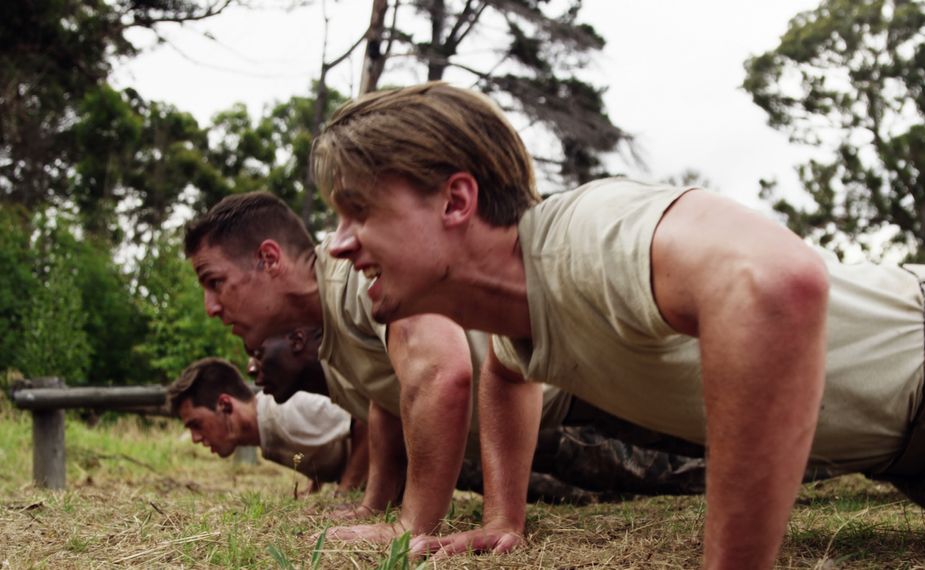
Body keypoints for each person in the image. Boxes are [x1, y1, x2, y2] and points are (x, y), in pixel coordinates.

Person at [308, 81, 925, 569]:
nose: (339, 245)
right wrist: (506, 518)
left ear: (455, 202)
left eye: (358, 212)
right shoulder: (516, 317)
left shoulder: (585, 233)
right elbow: (509, 372)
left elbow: (778, 281)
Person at [183, 192, 707, 543]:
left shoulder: (354, 276)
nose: (211, 306)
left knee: (739, 437)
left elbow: (442, 371)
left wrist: (413, 524)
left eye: (214, 282)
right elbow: (389, 400)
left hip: (572, 387)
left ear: (269, 259)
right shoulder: (330, 325)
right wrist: (374, 504)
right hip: (547, 403)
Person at [252, 324, 708, 504]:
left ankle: (759, 469)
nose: (253, 370)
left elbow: (372, 426)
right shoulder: (337, 377)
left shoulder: (344, 356)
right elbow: (387, 414)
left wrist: (364, 495)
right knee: (612, 480)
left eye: (256, 352)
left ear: (296, 342)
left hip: (540, 407)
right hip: (493, 437)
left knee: (661, 446)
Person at [166, 357, 368, 494]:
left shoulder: (289, 407)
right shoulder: (266, 428)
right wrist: (315, 485)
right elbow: (320, 438)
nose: (195, 438)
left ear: (225, 404)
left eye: (196, 424)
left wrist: (346, 491)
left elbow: (365, 420)